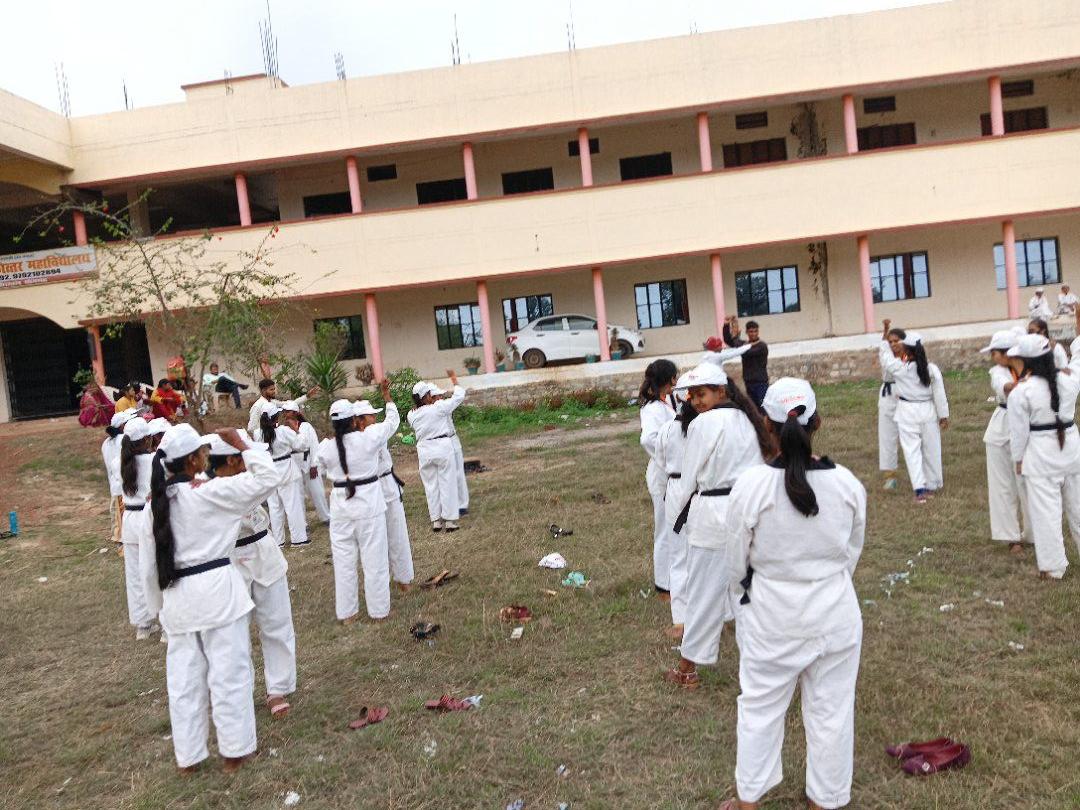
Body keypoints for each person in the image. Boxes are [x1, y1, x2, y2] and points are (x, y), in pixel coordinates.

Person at [721, 378, 865, 810]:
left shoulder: (751, 486)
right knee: (832, 711)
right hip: (834, 612)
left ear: (766, 425)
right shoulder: (847, 484)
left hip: (771, 615)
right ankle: (826, 799)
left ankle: (749, 799)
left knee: (760, 707)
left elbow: (735, 561)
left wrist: (749, 593)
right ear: (817, 422)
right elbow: (851, 552)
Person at [150, 424, 280, 773]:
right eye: (203, 452)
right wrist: (241, 444)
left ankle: (189, 756)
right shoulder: (210, 492)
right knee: (229, 673)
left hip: (178, 598)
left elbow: (150, 565)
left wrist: (158, 610)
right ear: (194, 459)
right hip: (218, 591)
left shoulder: (158, 503)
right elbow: (268, 478)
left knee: (184, 681)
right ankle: (235, 751)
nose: (207, 456)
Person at [664, 363, 773, 689]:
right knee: (749, 590)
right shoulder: (748, 419)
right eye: (692, 396)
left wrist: (679, 509)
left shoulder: (703, 424)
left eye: (702, 394)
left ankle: (687, 669)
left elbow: (689, 477)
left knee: (703, 593)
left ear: (720, 391)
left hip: (712, 513)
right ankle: (763, 664)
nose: (696, 401)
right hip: (747, 510)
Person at [208, 430, 297, 718]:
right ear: (233, 461)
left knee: (276, 622)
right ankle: (239, 689)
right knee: (234, 633)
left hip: (262, 549)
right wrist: (241, 444)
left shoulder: (238, 483)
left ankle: (278, 687)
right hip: (230, 558)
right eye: (243, 457)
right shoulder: (217, 489)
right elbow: (269, 476)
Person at [317, 383, 401, 622]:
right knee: (375, 561)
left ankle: (348, 613)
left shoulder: (326, 447)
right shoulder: (369, 438)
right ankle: (379, 610)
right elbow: (392, 422)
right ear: (354, 420)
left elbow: (318, 468)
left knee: (343, 562)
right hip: (368, 505)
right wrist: (388, 399)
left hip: (341, 507)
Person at [1007, 333, 1080, 580]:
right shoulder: (1069, 380)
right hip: (1071, 449)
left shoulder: (1021, 392)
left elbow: (1018, 433)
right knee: (1078, 507)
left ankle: (1053, 566)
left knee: (1046, 513)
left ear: (1026, 361)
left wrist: (1018, 459)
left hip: (1041, 454)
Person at [876, 321, 949, 504]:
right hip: (928, 411)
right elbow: (939, 394)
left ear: (906, 349)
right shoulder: (931, 369)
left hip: (907, 412)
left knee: (912, 452)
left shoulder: (901, 368)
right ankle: (932, 484)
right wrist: (943, 415)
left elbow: (886, 359)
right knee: (932, 449)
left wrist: (884, 343)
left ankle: (920, 489)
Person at [653, 370, 696, 640]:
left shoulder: (667, 430)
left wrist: (664, 493)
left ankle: (681, 619)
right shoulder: (706, 428)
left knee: (679, 556)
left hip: (677, 490)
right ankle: (721, 614)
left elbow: (659, 463)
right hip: (700, 491)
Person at [981, 330, 1033, 554]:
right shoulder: (998, 371)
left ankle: (1034, 533)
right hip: (1002, 425)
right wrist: (1021, 384)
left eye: (994, 352)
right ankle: (1011, 536)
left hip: (1028, 426)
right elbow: (1003, 386)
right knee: (1003, 485)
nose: (992, 357)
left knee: (1028, 483)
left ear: (1006, 353)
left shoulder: (1031, 368)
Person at [364, 398, 415, 594]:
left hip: (368, 490)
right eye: (371, 415)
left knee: (376, 539)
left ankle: (386, 580)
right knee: (396, 535)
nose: (374, 418)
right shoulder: (374, 432)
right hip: (383, 487)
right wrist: (388, 398)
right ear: (360, 419)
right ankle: (402, 579)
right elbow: (393, 420)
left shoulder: (349, 439)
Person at [639, 359, 679, 599]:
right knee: (664, 528)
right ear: (669, 379)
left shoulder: (665, 403)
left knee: (675, 527)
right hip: (662, 474)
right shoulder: (653, 408)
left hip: (669, 474)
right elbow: (648, 439)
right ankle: (663, 584)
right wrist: (669, 459)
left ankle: (674, 578)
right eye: (675, 376)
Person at [407, 373, 466, 532]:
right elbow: (458, 397)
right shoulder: (438, 407)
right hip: (441, 447)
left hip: (424, 450)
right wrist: (455, 382)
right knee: (447, 482)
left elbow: (419, 414)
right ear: (426, 396)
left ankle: (436, 521)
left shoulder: (411, 414)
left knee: (431, 486)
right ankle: (450, 521)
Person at [119, 416, 161, 640]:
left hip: (129, 519)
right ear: (147, 439)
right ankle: (166, 622)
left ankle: (142, 625)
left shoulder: (121, 461)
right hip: (148, 516)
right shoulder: (154, 460)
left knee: (134, 573)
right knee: (158, 567)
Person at [255, 404, 309, 547]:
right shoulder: (284, 431)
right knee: (293, 506)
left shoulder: (258, 434)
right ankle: (299, 539)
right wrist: (297, 430)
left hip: (269, 472)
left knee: (275, 508)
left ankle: (278, 541)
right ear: (276, 418)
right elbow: (302, 445)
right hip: (286, 470)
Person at [282, 400, 331, 525]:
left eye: (288, 412)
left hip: (308, 461)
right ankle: (302, 523)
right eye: (284, 412)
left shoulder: (306, 426)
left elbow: (314, 445)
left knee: (317, 492)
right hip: (293, 463)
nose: (285, 414)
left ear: (295, 413)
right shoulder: (283, 429)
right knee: (298, 495)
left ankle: (325, 517)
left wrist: (314, 465)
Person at [102, 408, 139, 545]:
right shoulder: (123, 440)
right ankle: (122, 546)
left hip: (116, 487)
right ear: (123, 426)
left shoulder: (106, 443)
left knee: (119, 518)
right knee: (121, 521)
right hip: (122, 487)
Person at [723, 316, 770, 408]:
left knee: (764, 408)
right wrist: (727, 324)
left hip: (761, 383)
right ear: (747, 332)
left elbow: (746, 351)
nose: (753, 334)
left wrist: (736, 337)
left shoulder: (762, 346)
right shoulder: (744, 344)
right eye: (751, 331)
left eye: (755, 331)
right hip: (748, 383)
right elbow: (728, 340)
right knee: (753, 409)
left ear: (758, 332)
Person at [879, 327, 904, 492]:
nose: (893, 344)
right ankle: (890, 475)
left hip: (905, 392)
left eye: (896, 341)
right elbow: (883, 349)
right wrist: (885, 332)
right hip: (888, 394)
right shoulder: (885, 355)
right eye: (890, 342)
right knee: (887, 435)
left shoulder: (909, 355)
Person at [246, 378, 316, 434]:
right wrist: (264, 436)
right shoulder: (257, 406)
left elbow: (291, 404)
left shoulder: (273, 402)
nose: (274, 392)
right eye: (271, 390)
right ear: (263, 391)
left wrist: (307, 396)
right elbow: (251, 428)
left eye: (274, 389)